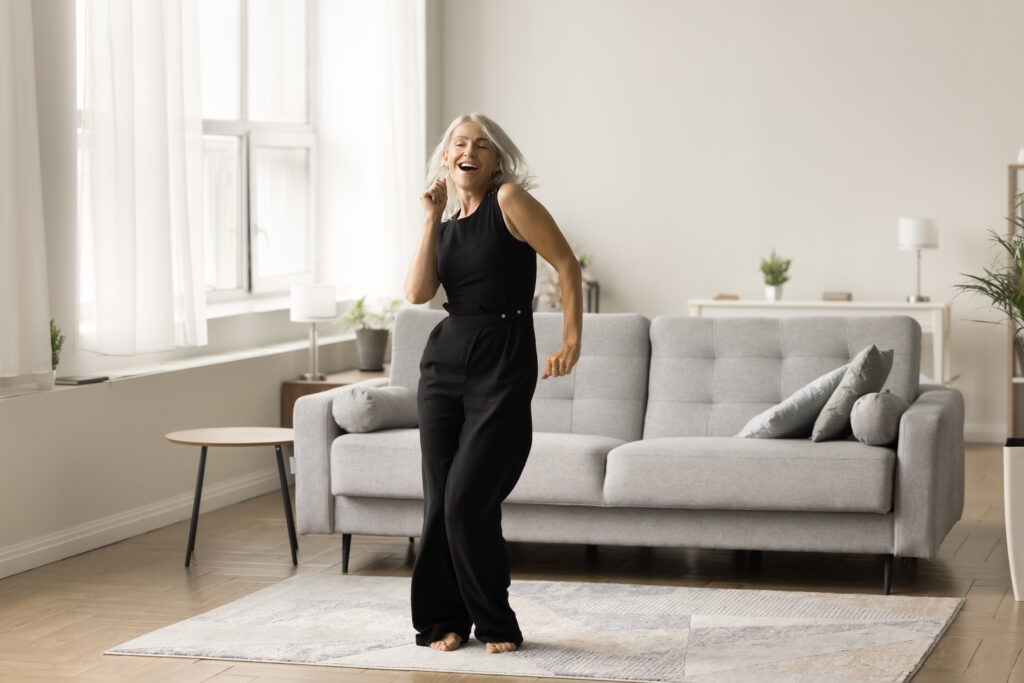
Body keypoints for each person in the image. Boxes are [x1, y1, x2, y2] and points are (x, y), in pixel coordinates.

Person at [403, 113, 583, 653]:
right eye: (460, 144)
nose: (470, 152)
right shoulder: (445, 222)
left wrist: (571, 340)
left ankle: (497, 622)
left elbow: (566, 264)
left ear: (497, 159)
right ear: (446, 158)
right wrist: (430, 218)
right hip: (444, 364)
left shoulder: (509, 200)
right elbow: (417, 294)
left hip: (503, 358)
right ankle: (443, 620)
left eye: (482, 145)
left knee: (467, 499)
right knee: (440, 503)